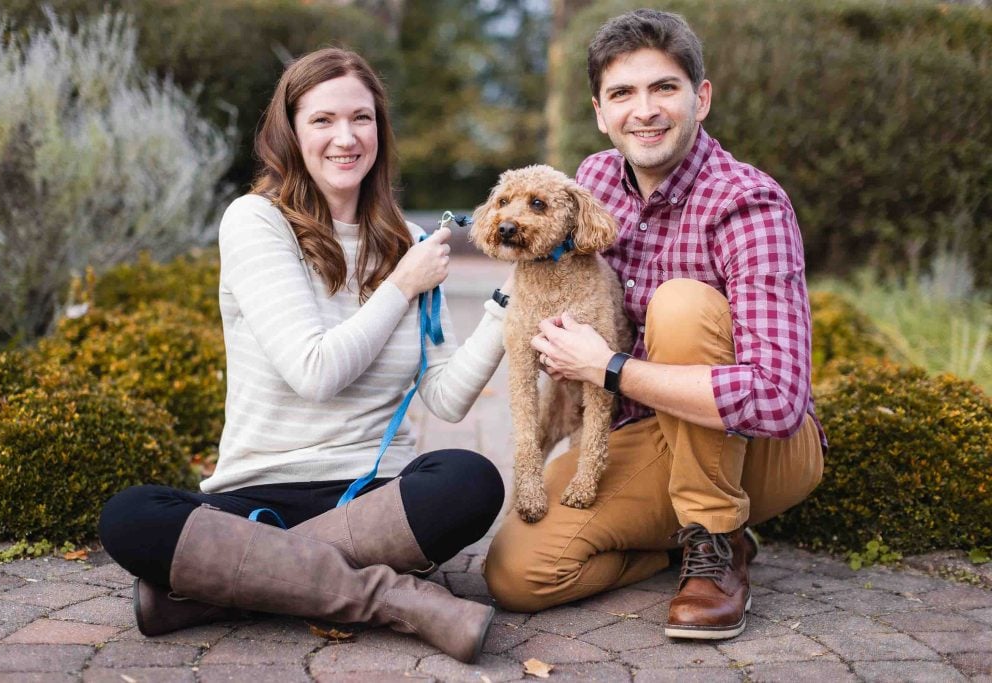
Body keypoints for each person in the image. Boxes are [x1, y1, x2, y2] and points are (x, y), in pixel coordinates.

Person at [98, 48, 512, 663]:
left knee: (470, 479)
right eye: (323, 120)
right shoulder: (256, 222)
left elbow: (447, 397)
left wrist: (509, 308)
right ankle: (396, 600)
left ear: (380, 129)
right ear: (290, 132)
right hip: (253, 493)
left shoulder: (410, 242)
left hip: (368, 496)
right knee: (131, 517)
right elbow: (314, 372)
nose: (345, 138)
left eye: (362, 119)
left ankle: (217, 591)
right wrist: (401, 285)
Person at [483, 9, 825, 640]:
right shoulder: (589, 182)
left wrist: (610, 369)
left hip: (766, 445)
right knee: (517, 575)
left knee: (681, 305)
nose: (644, 110)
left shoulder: (748, 202)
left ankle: (715, 540)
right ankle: (676, 547)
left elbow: (778, 400)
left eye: (663, 88)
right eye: (622, 93)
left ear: (701, 97)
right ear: (599, 111)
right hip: (647, 427)